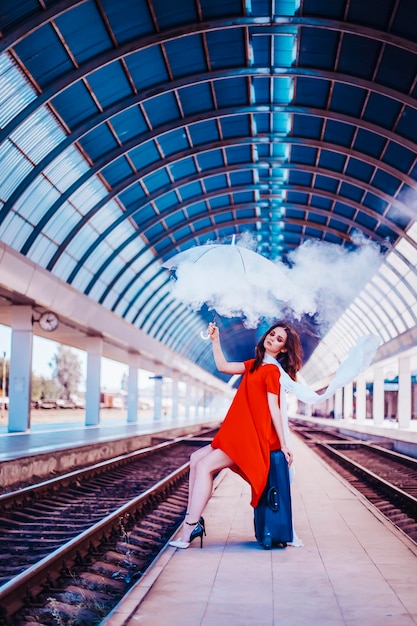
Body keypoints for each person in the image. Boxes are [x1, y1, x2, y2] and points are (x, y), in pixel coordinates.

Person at [169, 320, 303, 549]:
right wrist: (215, 340)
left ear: (284, 350)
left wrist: (283, 444)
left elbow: (275, 409)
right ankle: (193, 521)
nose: (272, 338)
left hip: (250, 438)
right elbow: (222, 366)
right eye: (272, 334)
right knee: (195, 460)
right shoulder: (254, 365)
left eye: (279, 339)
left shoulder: (271, 371)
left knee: (204, 467)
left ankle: (189, 527)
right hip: (235, 432)